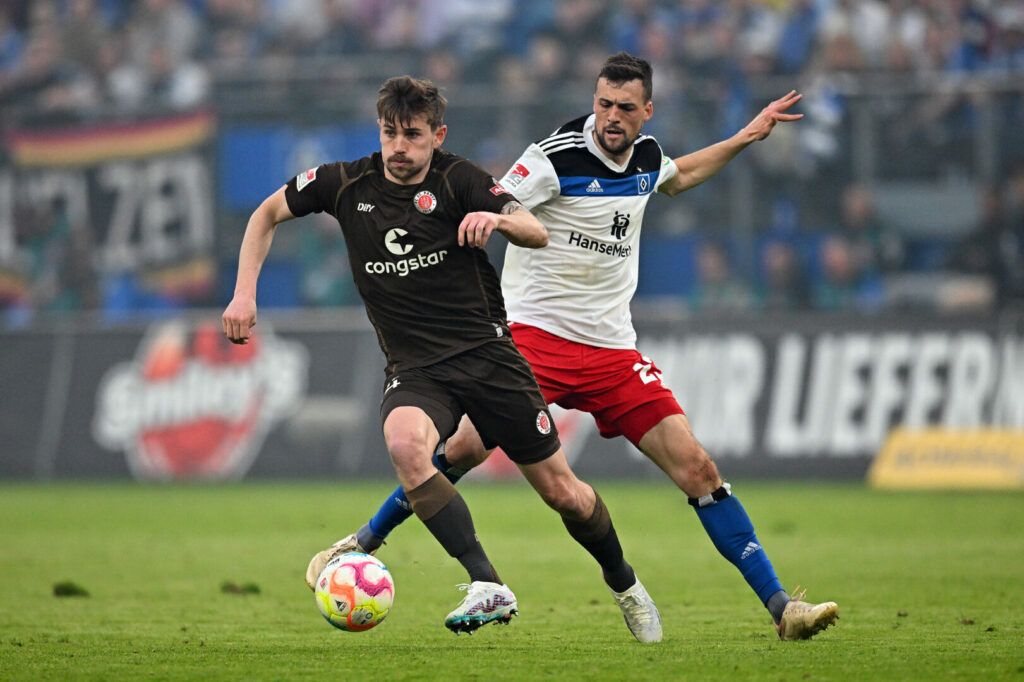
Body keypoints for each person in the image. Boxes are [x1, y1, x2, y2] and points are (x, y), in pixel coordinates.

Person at [312, 54, 841, 642]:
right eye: (603, 104)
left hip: (613, 349)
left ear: (647, 110)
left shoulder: (645, 157)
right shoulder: (553, 157)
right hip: (534, 338)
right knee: (458, 451)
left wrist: (745, 136)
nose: (611, 117)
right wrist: (493, 221)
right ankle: (364, 540)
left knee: (698, 467)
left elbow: (680, 175)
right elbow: (496, 199)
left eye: (624, 107)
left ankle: (781, 609)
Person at [224, 75, 660, 640]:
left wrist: (498, 219)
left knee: (564, 494)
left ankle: (625, 584)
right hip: (416, 369)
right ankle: (488, 583)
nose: (399, 147)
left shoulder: (461, 179)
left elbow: (534, 230)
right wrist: (243, 293)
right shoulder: (343, 183)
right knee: (406, 446)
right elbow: (265, 214)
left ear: (438, 135)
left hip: (489, 358)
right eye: (390, 133)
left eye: (412, 135)